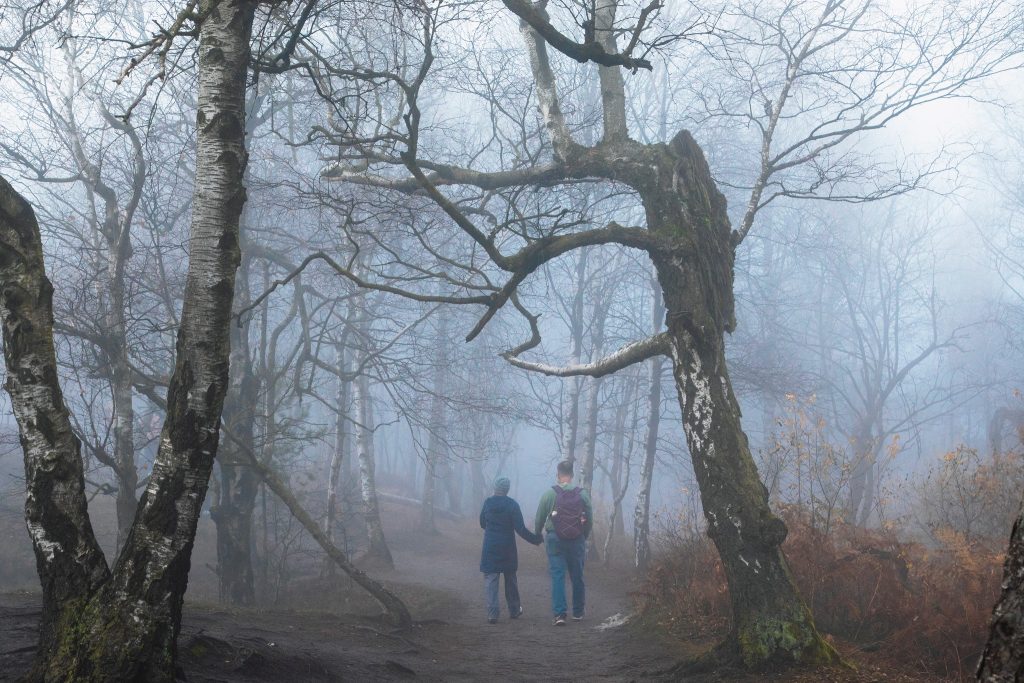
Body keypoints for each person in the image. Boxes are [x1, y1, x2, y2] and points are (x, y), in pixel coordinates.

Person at [535, 460, 592, 626]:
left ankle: (560, 614)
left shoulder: (549, 494)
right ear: (572, 475)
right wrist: (583, 535)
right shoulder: (582, 494)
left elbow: (539, 517)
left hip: (555, 539)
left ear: (558, 475)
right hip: (577, 539)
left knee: (558, 575)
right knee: (577, 575)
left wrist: (538, 533)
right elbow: (589, 518)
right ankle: (578, 612)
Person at [479, 476, 542, 624]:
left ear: (495, 488)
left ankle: (492, 614)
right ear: (507, 489)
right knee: (510, 579)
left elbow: (482, 523)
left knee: (491, 580)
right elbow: (520, 529)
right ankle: (514, 610)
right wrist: (536, 539)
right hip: (507, 548)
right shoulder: (512, 505)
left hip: (490, 547)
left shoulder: (488, 503)